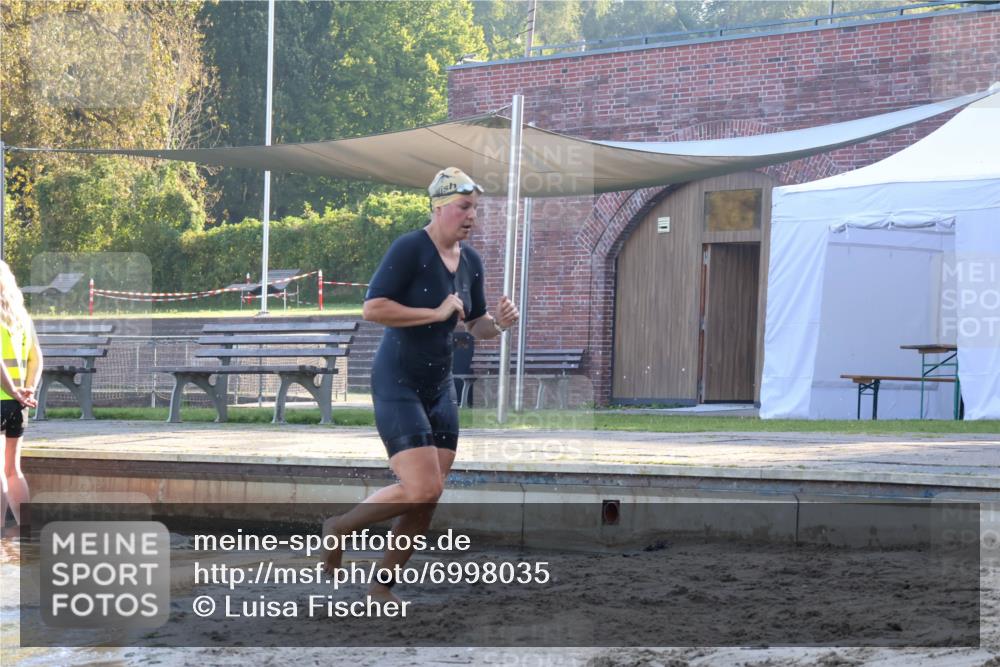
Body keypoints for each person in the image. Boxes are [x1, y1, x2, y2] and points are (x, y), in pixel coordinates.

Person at [322, 167, 519, 602]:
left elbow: (475, 324)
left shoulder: (471, 261)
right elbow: (373, 308)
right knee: (422, 486)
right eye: (464, 208)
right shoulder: (411, 247)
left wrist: (499, 325)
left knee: (428, 496)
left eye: (475, 209)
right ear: (439, 206)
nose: (472, 217)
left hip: (439, 384)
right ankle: (338, 527)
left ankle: (380, 588)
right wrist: (433, 313)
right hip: (398, 378)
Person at [0, 261, 41, 529]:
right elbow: (37, 358)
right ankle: (27, 533)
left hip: (8, 394)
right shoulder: (21, 317)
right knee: (13, 469)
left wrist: (13, 390)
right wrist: (27, 390)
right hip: (17, 404)